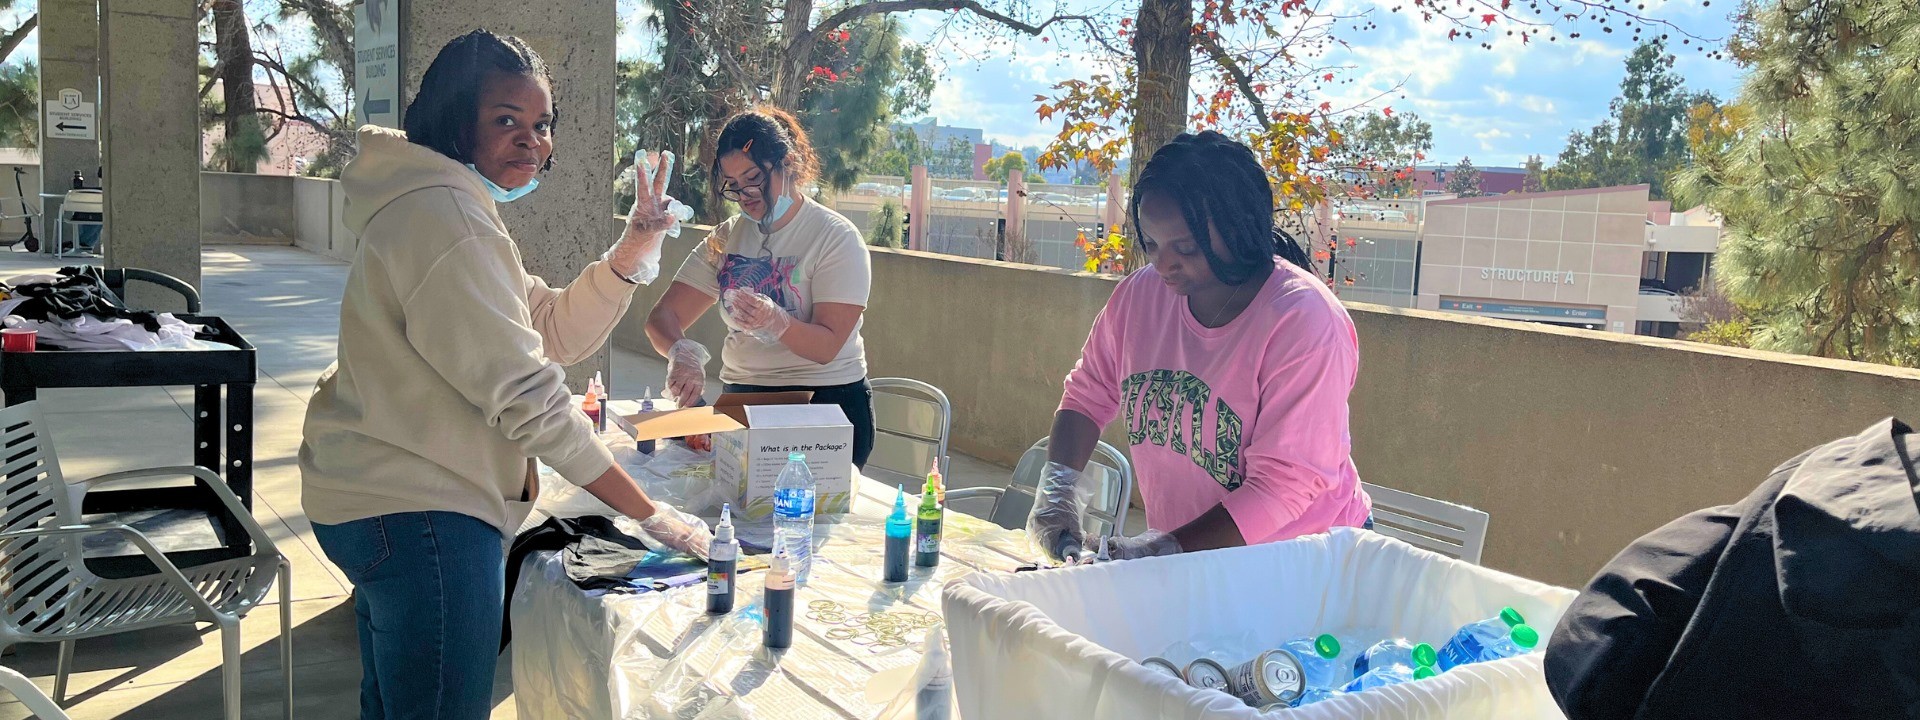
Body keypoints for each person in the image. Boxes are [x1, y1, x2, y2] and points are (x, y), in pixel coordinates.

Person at [299, 30, 710, 719]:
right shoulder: (447, 216)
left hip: (381, 502)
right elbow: (530, 397)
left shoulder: (442, 201)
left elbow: (551, 330)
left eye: (541, 123)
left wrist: (633, 249)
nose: (532, 140)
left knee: (396, 705)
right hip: (423, 516)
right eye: (506, 120)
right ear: (457, 120)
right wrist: (649, 514)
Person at [1028, 131, 1373, 563]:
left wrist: (1162, 549)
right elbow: (1087, 393)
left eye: (1185, 247)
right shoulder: (1141, 296)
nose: (1162, 263)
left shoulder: (1302, 320)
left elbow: (1283, 485)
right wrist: (1057, 490)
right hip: (1196, 554)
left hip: (1300, 561)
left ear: (1238, 229)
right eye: (1151, 244)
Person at [644, 107, 877, 467]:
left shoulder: (835, 237)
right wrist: (681, 353)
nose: (745, 193)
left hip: (825, 404)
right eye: (733, 185)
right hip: (743, 401)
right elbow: (662, 317)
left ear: (789, 164)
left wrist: (777, 321)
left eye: (754, 177)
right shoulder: (727, 237)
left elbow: (828, 345)